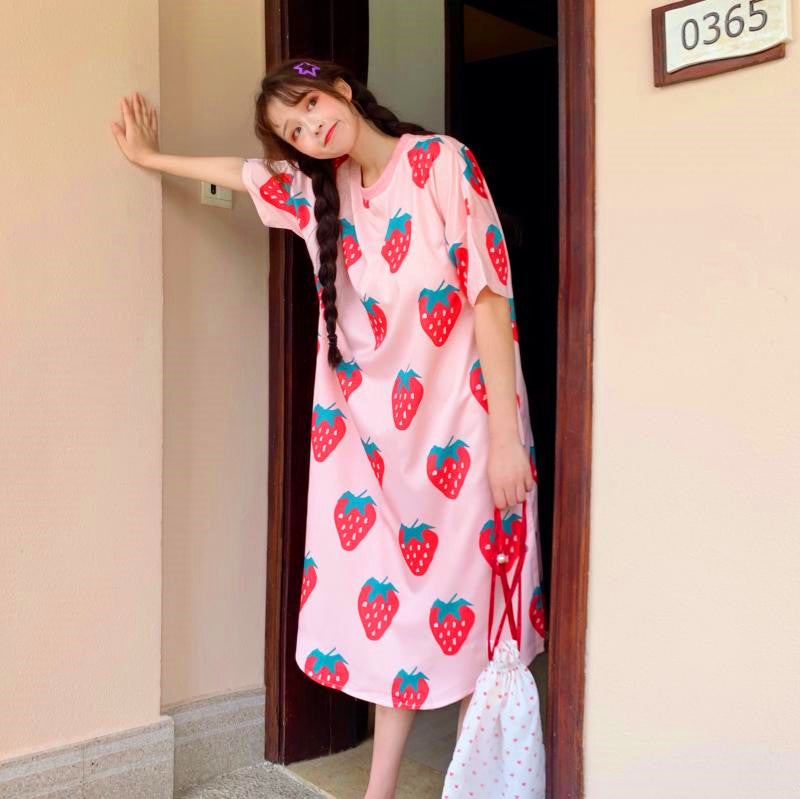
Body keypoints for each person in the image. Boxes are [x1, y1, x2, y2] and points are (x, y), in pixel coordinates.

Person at [110, 57, 547, 799]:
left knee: (478, 611)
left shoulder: (443, 163)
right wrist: (150, 158)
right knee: (394, 615)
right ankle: (379, 792)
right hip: (377, 449)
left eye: (309, 105)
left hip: (471, 429)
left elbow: (489, 296)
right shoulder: (323, 194)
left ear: (341, 89)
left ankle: (469, 784)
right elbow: (240, 172)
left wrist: (505, 437)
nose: (309, 128)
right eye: (293, 129)